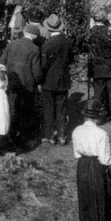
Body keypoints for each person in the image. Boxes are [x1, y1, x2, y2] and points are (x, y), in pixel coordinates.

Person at [3, 23, 43, 146]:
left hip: (11, 82)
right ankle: (23, 138)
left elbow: (2, 61)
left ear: (25, 32)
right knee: (25, 111)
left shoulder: (12, 44)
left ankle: (9, 134)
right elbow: (36, 71)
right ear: (34, 35)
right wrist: (38, 82)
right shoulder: (35, 49)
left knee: (12, 108)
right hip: (27, 85)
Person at [40, 15, 74, 145]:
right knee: (61, 108)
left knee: (48, 108)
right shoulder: (67, 41)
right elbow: (71, 59)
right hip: (63, 79)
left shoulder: (47, 45)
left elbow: (44, 65)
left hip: (48, 80)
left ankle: (49, 135)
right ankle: (62, 135)